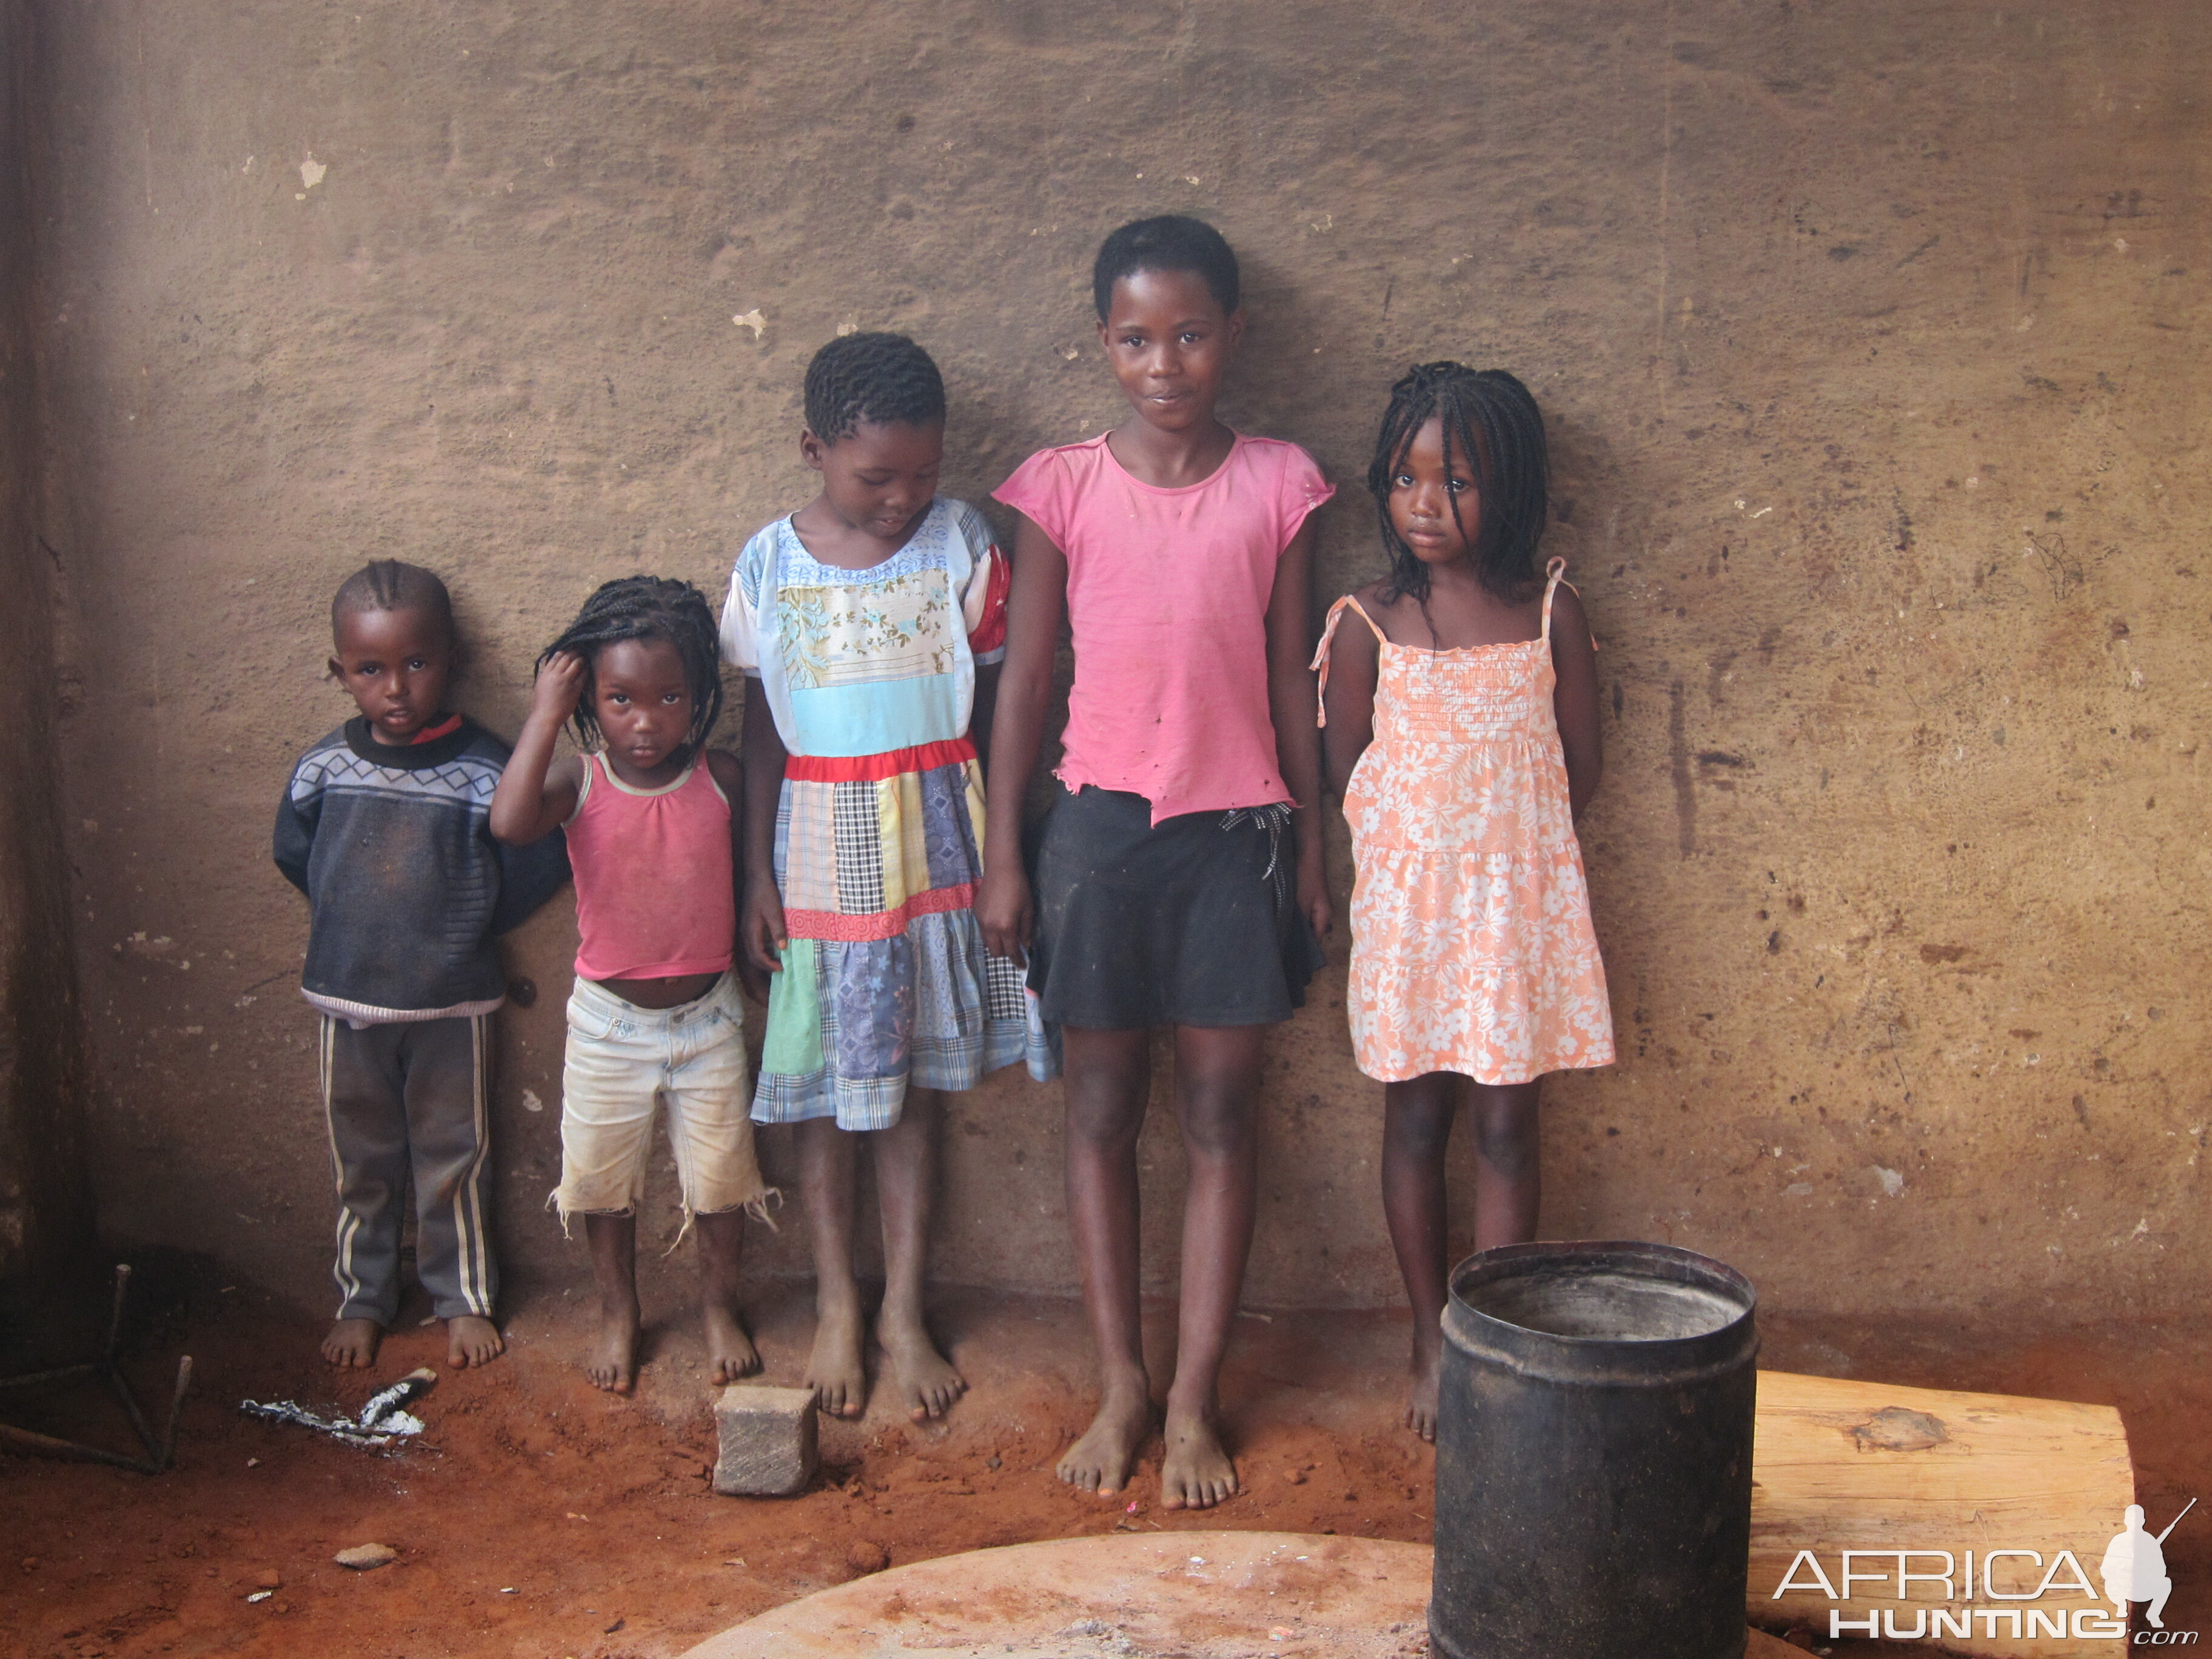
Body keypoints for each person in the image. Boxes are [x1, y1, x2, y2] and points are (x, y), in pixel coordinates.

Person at [982, 215, 1334, 1509]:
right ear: (1103, 345)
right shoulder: (1059, 488)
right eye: (1137, 338)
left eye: (1191, 334)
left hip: (1236, 838)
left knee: (1224, 1117)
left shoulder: (1282, 484)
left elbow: (1297, 686)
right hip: (1096, 839)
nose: (1166, 363)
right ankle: (1120, 1380)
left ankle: (1193, 1398)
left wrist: (1308, 841)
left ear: (1232, 336)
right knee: (1097, 1112)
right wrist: (1004, 855)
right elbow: (1024, 686)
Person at [720, 330, 1023, 1423]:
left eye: (924, 473)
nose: (904, 498)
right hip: (816, 843)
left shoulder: (960, 545)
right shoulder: (770, 565)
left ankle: (902, 1305)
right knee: (827, 1090)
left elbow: (996, 706)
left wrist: (1005, 852)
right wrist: (755, 870)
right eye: (875, 477)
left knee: (905, 1091)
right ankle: (837, 1302)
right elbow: (762, 731)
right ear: (814, 450)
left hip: (936, 835)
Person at [1313, 363, 1614, 1440]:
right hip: (1410, 920)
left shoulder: (1550, 613)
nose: (1425, 503)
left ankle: (1495, 1337)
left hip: (1513, 918)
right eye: (1404, 478)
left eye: (1459, 480)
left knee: (1506, 1123)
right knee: (1416, 1117)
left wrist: (1506, 856)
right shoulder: (1368, 623)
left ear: (1516, 488)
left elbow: (1581, 765)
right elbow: (1349, 773)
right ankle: (1428, 1333)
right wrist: (1428, 860)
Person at [275, 560, 569, 1372]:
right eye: (371, 669)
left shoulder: (484, 768)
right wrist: (354, 919)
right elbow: (297, 855)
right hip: (347, 1002)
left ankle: (462, 1297)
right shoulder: (322, 771)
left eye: (416, 663)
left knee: (453, 1159)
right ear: (341, 674)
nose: (396, 688)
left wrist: (463, 921)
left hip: (451, 1009)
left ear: (452, 661)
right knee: (363, 1164)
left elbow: (536, 860)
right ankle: (363, 1297)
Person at [489, 576, 772, 1395]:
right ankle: (620, 1309)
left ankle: (719, 1305)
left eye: (669, 697)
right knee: (602, 1183)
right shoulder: (582, 783)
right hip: (608, 1024)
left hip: (709, 1019)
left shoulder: (721, 778)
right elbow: (508, 824)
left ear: (699, 699)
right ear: (591, 701)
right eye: (619, 699)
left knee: (721, 1182)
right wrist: (546, 711)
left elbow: (758, 863)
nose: (644, 721)